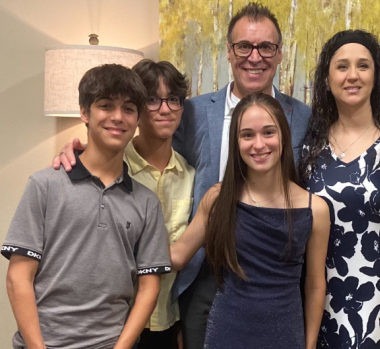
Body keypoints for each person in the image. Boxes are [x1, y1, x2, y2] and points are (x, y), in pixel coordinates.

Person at [52, 3, 311, 347]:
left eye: (266, 47)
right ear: (230, 53)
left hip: (271, 276)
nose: (255, 56)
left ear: (280, 54)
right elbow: (141, 140)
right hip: (198, 273)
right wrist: (85, 151)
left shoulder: (304, 117)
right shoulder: (193, 111)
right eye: (243, 47)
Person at [4, 64, 171, 349]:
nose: (118, 117)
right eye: (106, 106)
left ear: (138, 118)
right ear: (84, 112)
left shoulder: (146, 202)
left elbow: (149, 286)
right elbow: (18, 276)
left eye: (129, 108)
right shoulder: (45, 185)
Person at [169, 92, 330, 349]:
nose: (258, 144)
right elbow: (177, 255)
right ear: (236, 141)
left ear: (284, 137)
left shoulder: (315, 209)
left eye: (268, 132)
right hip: (227, 333)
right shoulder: (218, 198)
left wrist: (309, 345)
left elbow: (314, 286)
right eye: (247, 135)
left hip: (285, 336)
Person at [298, 29, 380, 347]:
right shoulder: (307, 148)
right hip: (319, 301)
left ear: (376, 76)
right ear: (326, 78)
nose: (353, 75)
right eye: (342, 66)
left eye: (363, 66)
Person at [127, 59, 194, 349]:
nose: (165, 109)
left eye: (173, 100)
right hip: (116, 321)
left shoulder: (192, 177)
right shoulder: (115, 170)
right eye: (152, 100)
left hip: (169, 322)